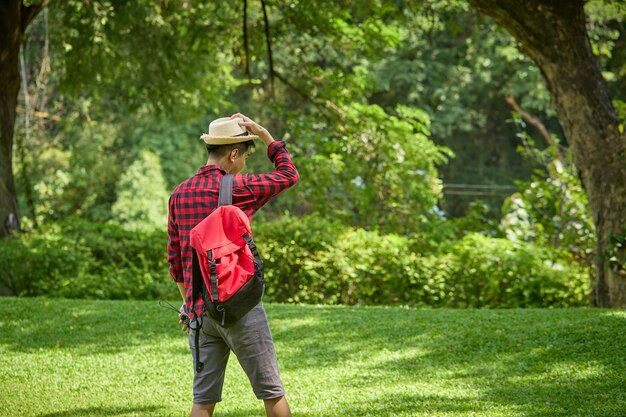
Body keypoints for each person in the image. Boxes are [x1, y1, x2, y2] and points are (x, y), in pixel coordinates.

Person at [167, 113, 299, 417]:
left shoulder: (179, 194)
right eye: (246, 156)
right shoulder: (239, 187)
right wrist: (265, 134)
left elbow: (176, 263)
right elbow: (288, 174)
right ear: (234, 154)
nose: (245, 164)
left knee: (203, 401)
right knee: (271, 392)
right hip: (240, 307)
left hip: (200, 315)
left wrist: (189, 305)